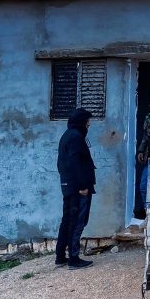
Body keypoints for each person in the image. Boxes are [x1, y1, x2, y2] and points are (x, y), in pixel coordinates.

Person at [56, 107, 96, 269]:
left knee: (67, 220)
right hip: (78, 188)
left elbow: (61, 163)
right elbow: (75, 163)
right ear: (82, 122)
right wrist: (82, 185)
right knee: (77, 221)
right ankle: (74, 258)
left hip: (68, 185)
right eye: (88, 121)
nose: (89, 125)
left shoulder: (67, 136)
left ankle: (60, 256)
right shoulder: (76, 137)